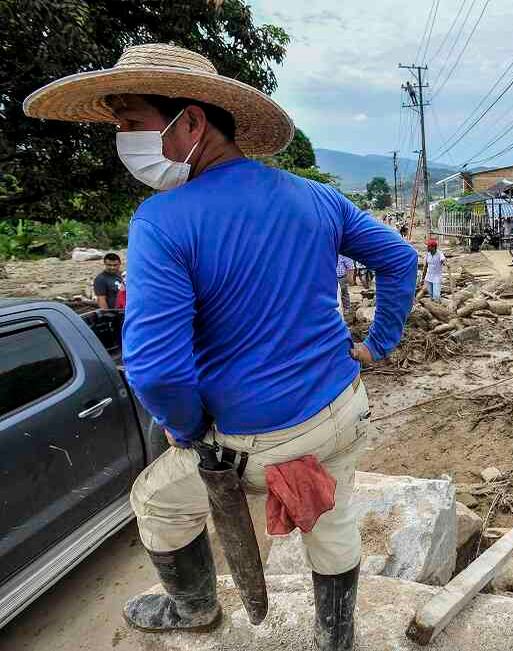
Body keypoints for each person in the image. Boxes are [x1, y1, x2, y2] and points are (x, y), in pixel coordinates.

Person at [25, 43, 417, 650]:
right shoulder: (316, 197)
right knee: (333, 518)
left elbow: (157, 371)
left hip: (252, 442)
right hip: (344, 409)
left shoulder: (162, 220)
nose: (122, 140)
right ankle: (337, 636)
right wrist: (379, 344)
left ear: (191, 122)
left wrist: (186, 431)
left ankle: (194, 610)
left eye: (131, 122)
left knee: (157, 502)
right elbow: (398, 259)